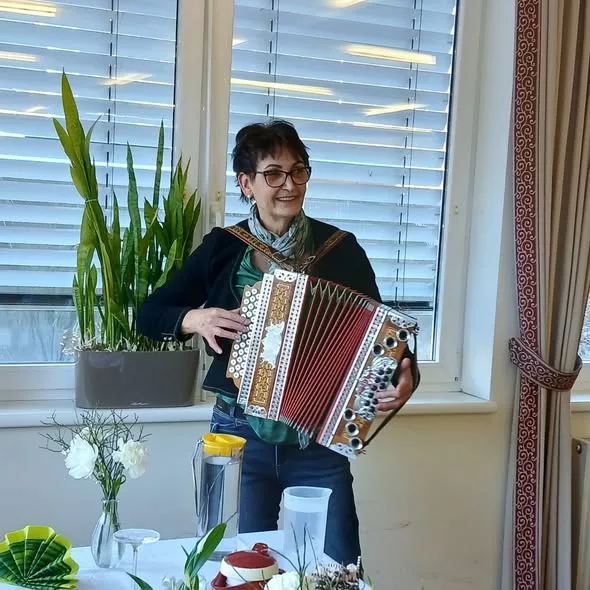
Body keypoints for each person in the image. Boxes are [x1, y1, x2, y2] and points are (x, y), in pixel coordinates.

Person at [137, 120, 419, 565]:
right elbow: (149, 314)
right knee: (236, 568)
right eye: (273, 173)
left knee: (338, 566)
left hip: (318, 439)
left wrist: (406, 374)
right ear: (246, 184)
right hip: (238, 432)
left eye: (298, 171)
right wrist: (196, 318)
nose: (289, 184)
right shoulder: (223, 248)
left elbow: (381, 336)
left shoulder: (341, 249)